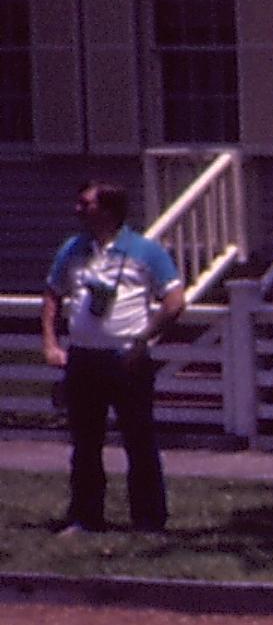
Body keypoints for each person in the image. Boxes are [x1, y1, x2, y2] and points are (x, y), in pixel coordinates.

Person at [40, 179, 181, 534]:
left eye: (86, 204)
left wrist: (142, 341)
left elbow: (174, 301)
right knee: (85, 442)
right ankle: (86, 516)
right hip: (83, 358)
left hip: (126, 359)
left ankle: (149, 520)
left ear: (108, 209)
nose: (78, 210)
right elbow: (52, 295)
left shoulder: (145, 251)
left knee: (139, 440)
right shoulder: (73, 249)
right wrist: (50, 343)